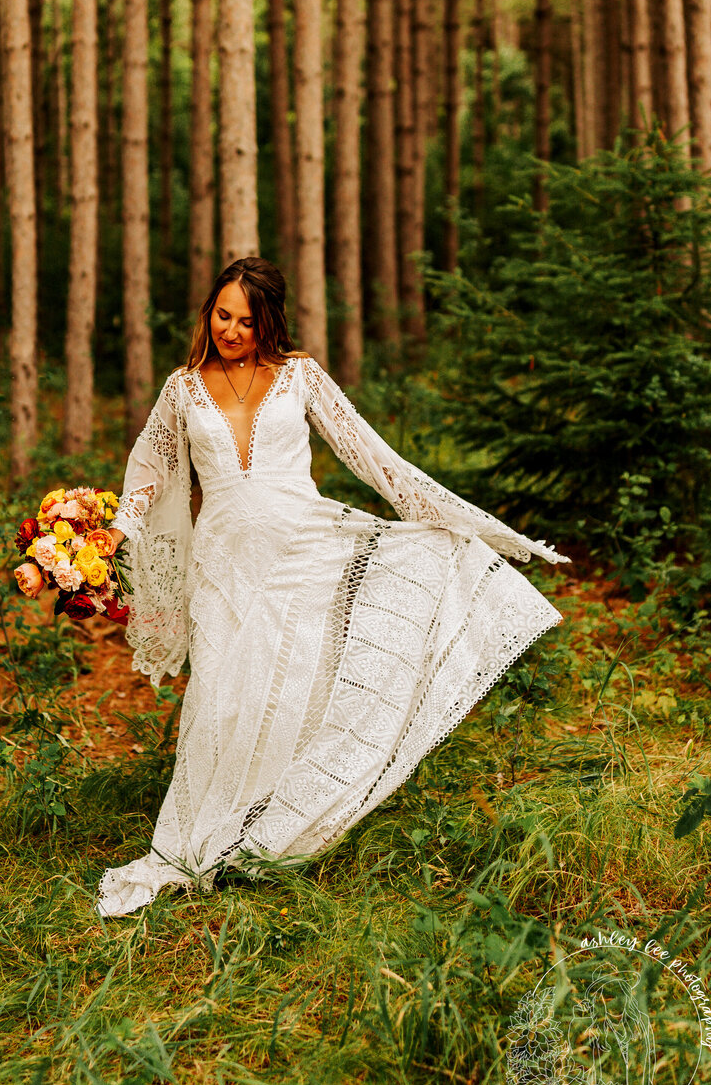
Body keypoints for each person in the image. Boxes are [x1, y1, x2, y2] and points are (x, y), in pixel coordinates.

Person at [92, 256, 569, 918]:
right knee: (221, 704)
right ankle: (203, 837)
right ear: (209, 312)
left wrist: (457, 522)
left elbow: (371, 455)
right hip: (223, 566)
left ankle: (272, 833)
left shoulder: (299, 376)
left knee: (288, 698)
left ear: (269, 323)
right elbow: (150, 469)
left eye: (246, 321)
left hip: (303, 549)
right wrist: (114, 530)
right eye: (222, 315)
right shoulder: (182, 389)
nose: (231, 330)